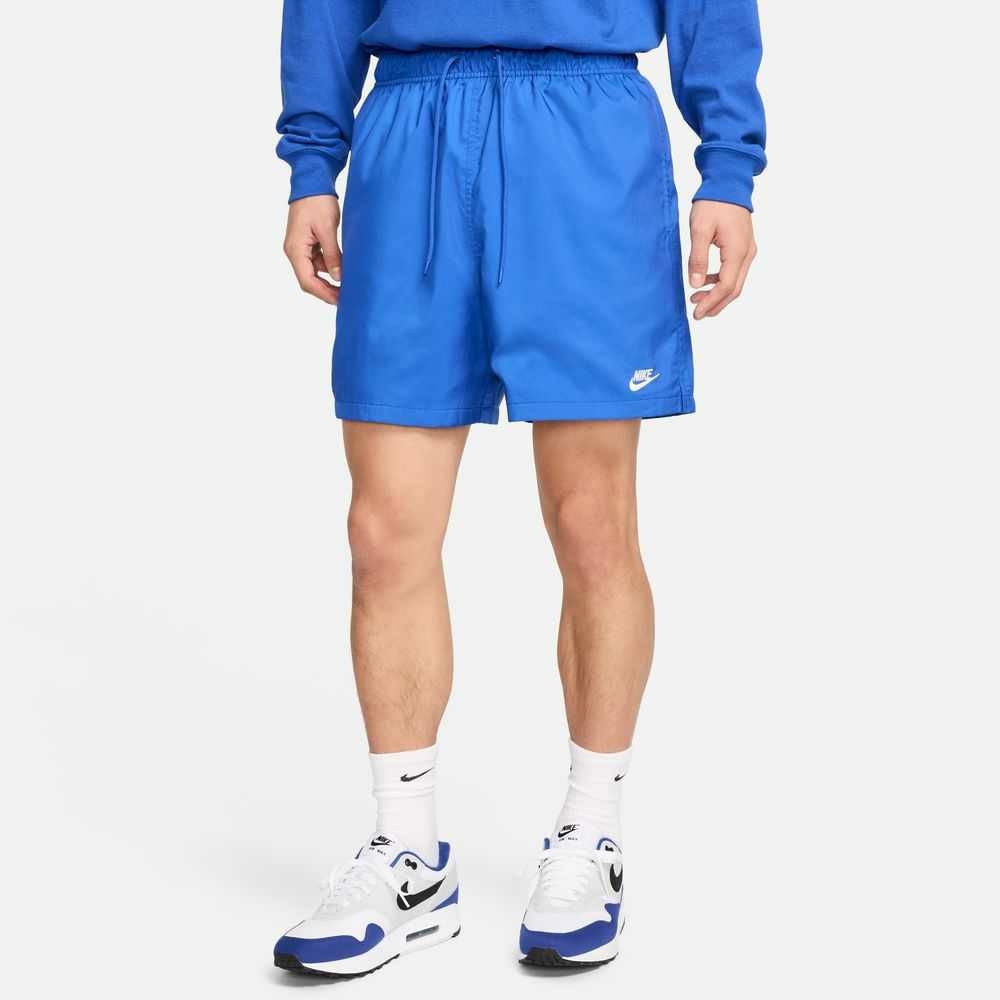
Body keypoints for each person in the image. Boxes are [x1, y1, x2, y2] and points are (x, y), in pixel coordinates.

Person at [271, 0, 765, 978]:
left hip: (584, 131)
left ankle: (591, 829)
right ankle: (408, 851)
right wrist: (311, 164)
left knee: (591, 522)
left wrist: (729, 167)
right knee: (382, 529)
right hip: (413, 123)